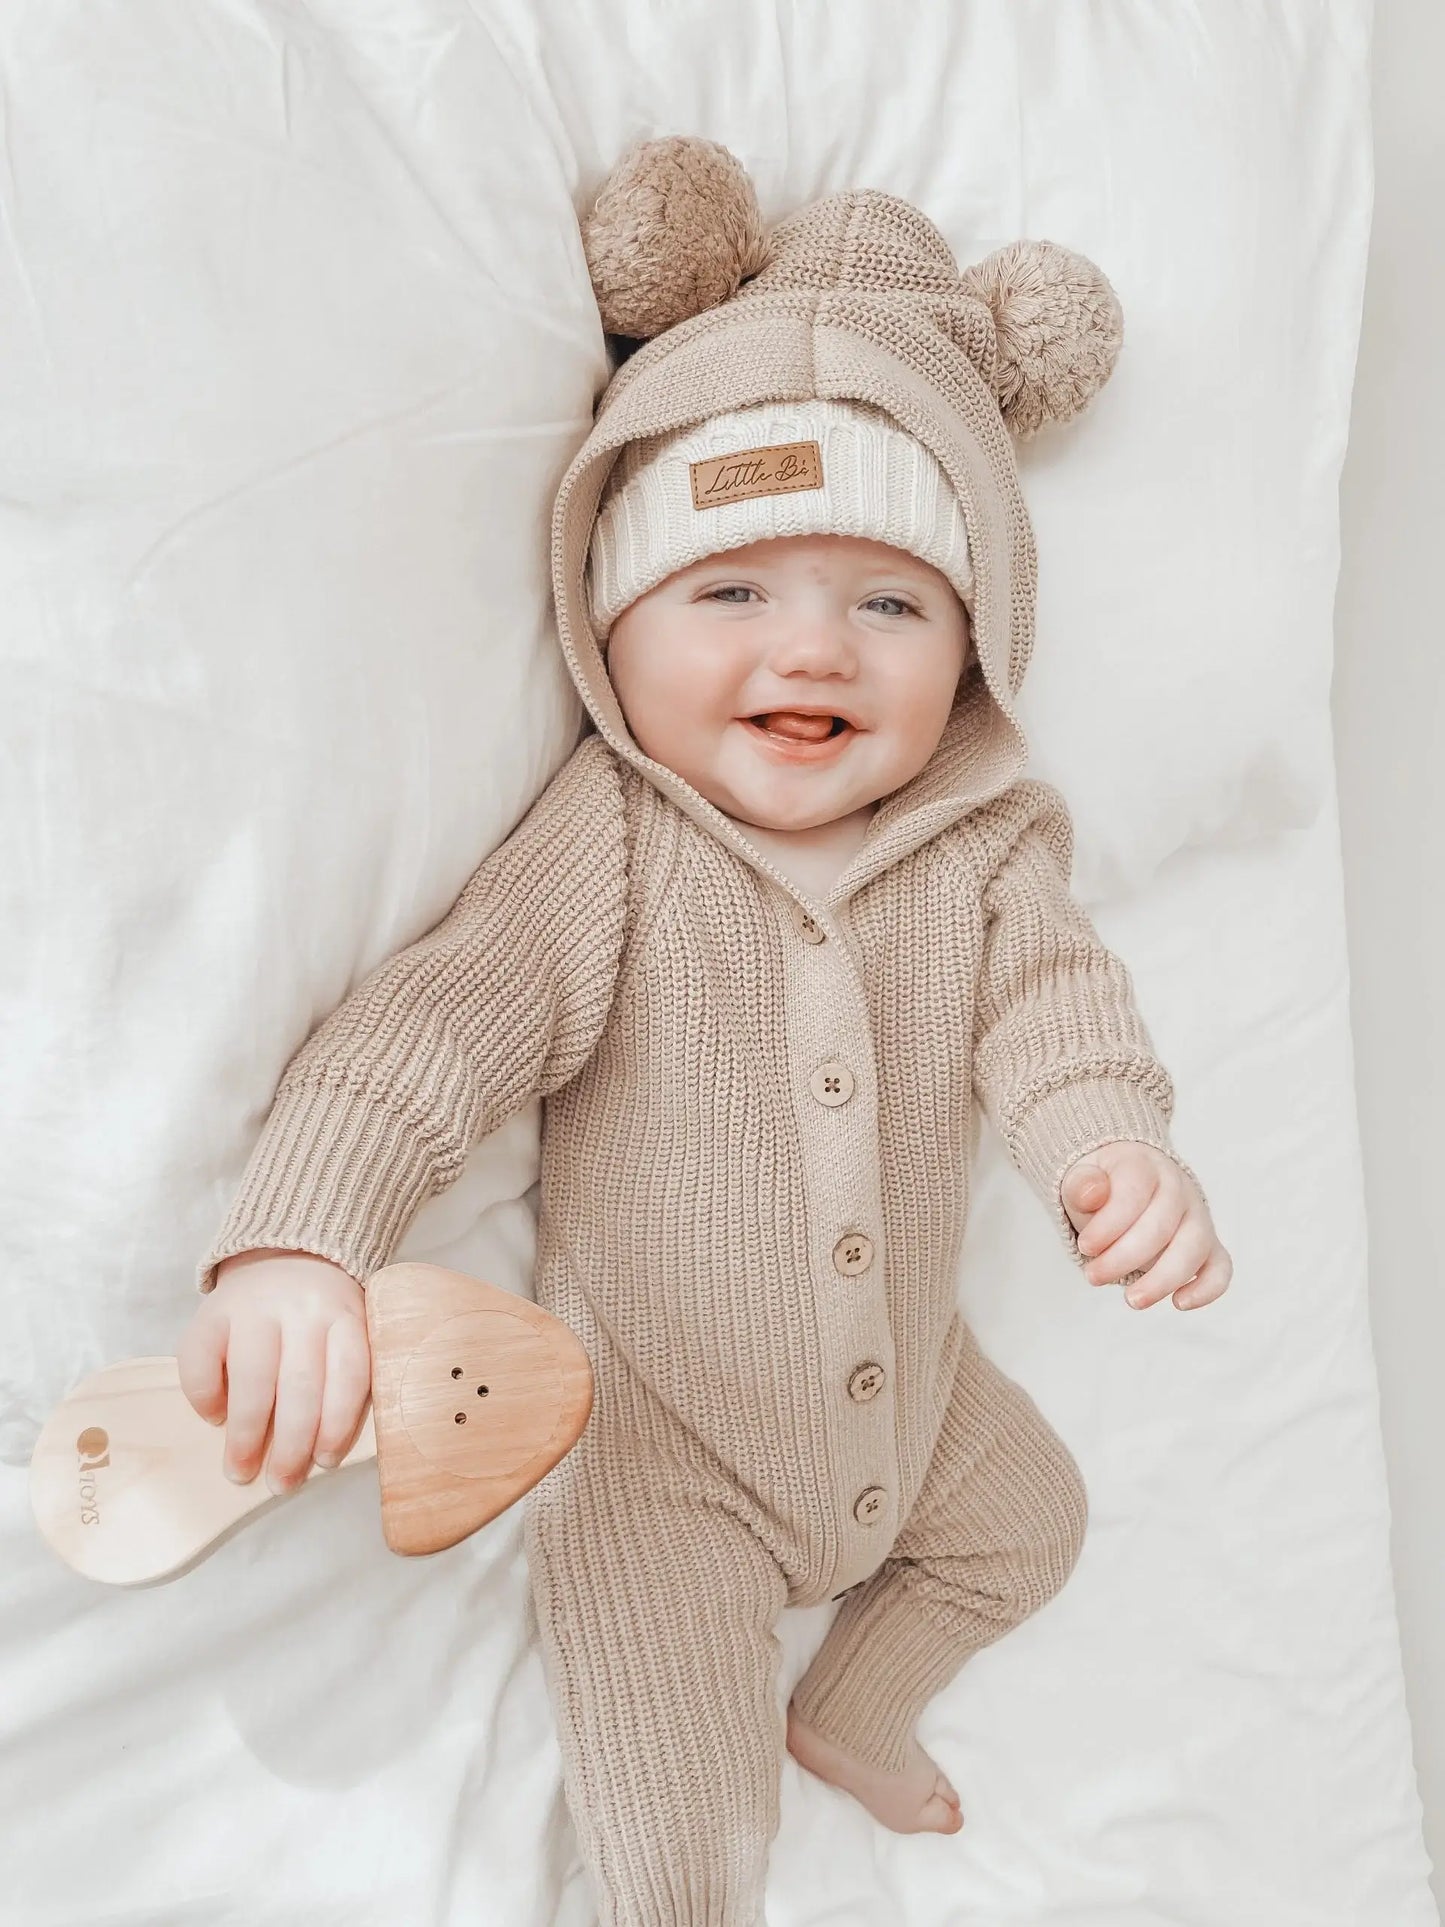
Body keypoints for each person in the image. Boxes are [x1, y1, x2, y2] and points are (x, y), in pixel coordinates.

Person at [177, 138, 1232, 1925]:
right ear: (609, 625)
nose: (811, 650)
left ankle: (852, 1710)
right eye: (730, 591)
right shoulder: (611, 846)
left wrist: (1112, 1148)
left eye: (888, 603)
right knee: (680, 1846)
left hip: (920, 1412)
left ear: (971, 656)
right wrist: (299, 1238)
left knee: (1027, 1528)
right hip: (653, 1449)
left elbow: (1058, 1009)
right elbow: (434, 1028)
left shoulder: (983, 847)